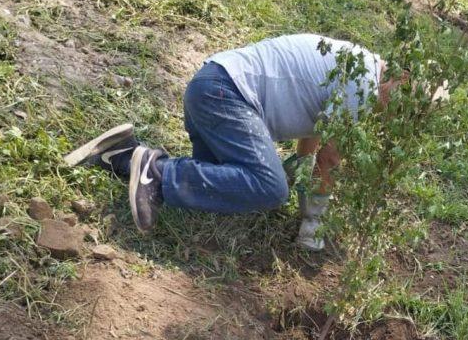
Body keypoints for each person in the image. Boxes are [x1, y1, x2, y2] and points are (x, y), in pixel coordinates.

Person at [63, 34, 386, 251]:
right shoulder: (365, 83)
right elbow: (329, 158)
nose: (405, 114)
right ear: (403, 77)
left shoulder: (358, 63)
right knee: (270, 188)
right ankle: (158, 172)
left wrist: (302, 163)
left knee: (223, 184)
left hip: (210, 87)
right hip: (226, 96)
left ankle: (123, 154)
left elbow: (318, 127)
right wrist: (315, 221)